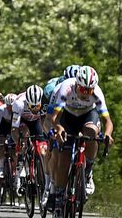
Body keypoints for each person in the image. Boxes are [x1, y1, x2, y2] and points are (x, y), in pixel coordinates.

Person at [48, 66, 114, 207]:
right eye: (83, 89)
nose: (85, 94)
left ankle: (88, 170)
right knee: (64, 158)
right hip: (68, 116)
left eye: (89, 91)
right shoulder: (66, 88)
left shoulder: (97, 93)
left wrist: (108, 134)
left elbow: (107, 121)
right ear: (76, 85)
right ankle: (59, 195)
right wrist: (58, 128)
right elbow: (54, 118)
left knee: (91, 132)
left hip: (87, 115)